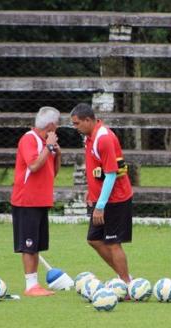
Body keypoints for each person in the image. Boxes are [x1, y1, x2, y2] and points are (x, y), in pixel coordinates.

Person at [70, 103, 133, 284]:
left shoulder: (103, 138)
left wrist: (100, 206)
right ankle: (125, 278)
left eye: (76, 124)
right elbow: (97, 170)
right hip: (101, 199)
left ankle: (127, 284)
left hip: (115, 199)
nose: (75, 128)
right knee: (94, 240)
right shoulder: (89, 136)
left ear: (88, 120)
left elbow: (111, 174)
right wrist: (91, 192)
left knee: (113, 243)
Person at [10, 106, 62, 297]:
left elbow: (51, 172)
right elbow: (33, 165)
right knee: (29, 244)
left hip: (41, 200)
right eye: (56, 126)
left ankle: (35, 284)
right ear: (50, 126)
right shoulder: (29, 139)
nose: (57, 130)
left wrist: (58, 153)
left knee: (37, 244)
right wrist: (49, 147)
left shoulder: (45, 143)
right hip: (27, 200)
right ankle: (30, 285)